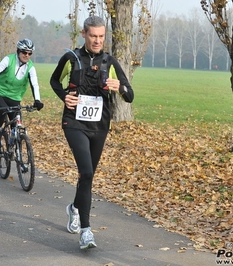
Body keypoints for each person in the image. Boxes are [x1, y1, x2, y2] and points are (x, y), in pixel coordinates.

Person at [50, 16, 134, 250]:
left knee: (88, 176)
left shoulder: (110, 62)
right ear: (84, 34)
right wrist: (63, 96)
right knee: (85, 171)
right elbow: (54, 81)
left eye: (101, 36)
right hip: (74, 123)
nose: (97, 41)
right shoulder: (71, 58)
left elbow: (130, 95)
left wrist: (120, 87)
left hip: (99, 126)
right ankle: (86, 231)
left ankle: (74, 208)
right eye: (93, 36)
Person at [0, 38, 44, 148]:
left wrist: (37, 100)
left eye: (30, 53)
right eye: (24, 52)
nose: (27, 55)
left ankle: (13, 147)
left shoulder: (30, 67)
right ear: (18, 51)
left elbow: (35, 84)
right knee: (4, 110)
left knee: (16, 123)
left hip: (14, 97)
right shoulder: (8, 60)